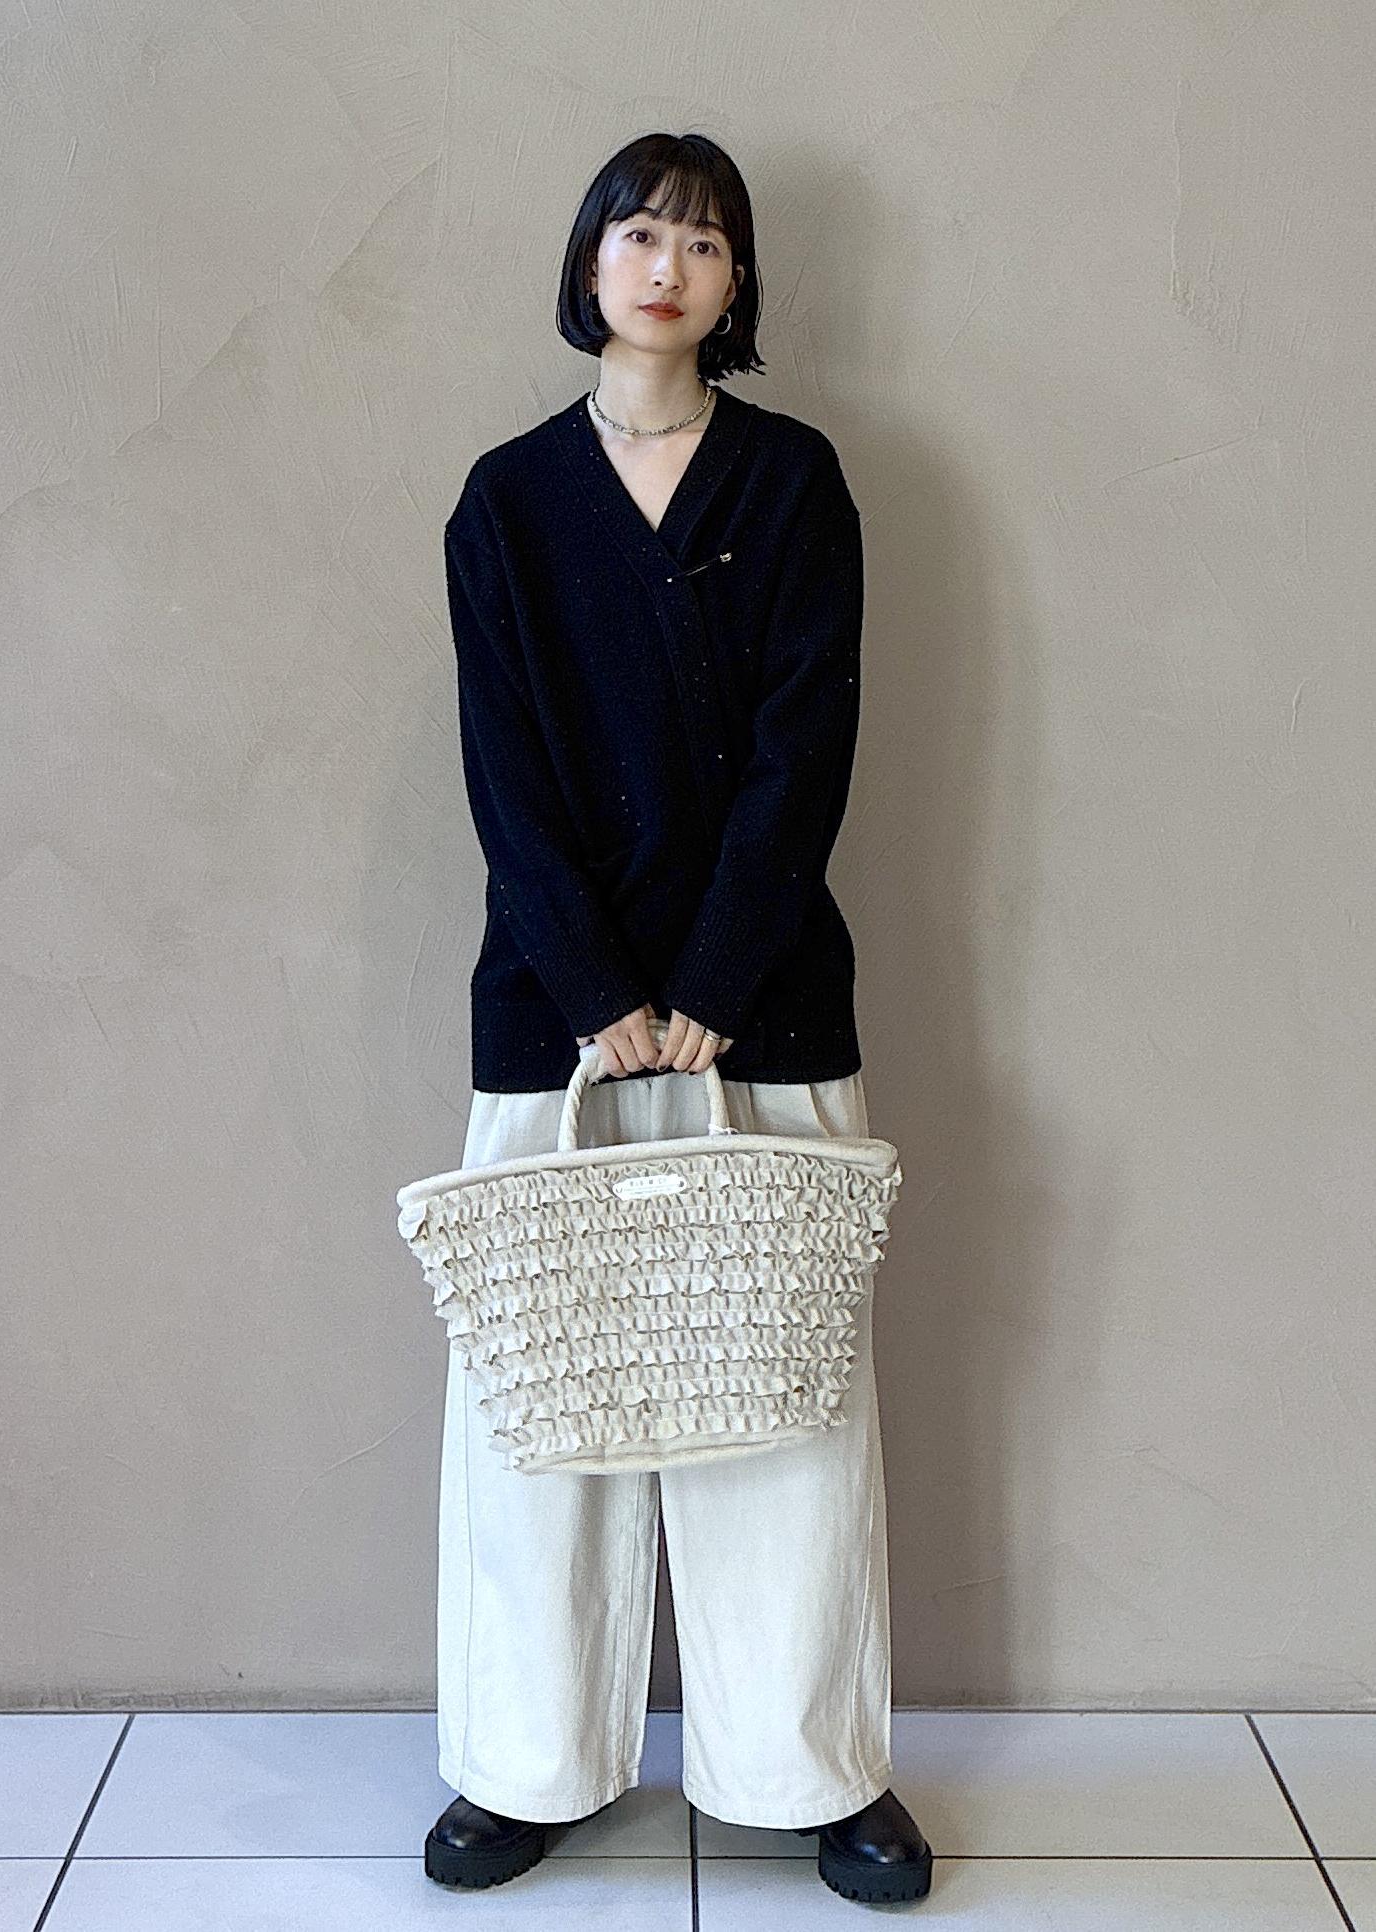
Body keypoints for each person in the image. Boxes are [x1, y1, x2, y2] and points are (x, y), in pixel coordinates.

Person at [424, 129, 932, 1907]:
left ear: (738, 283)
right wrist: (600, 993)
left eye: (704, 242)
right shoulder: (505, 500)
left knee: (783, 1405)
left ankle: (814, 1773)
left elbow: (809, 746)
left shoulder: (795, 483)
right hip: (553, 1009)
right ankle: (522, 1766)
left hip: (761, 997)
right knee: (540, 1410)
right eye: (638, 232)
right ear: (589, 264)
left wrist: (713, 982)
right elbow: (504, 770)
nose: (667, 265)